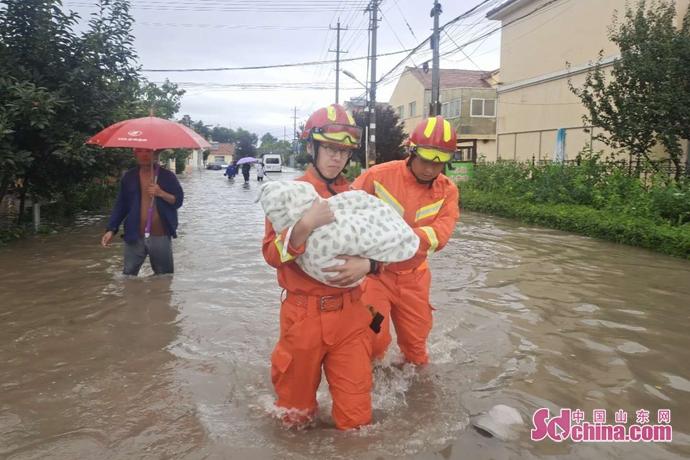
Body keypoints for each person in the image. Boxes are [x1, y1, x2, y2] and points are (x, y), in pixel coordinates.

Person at [262, 104, 375, 430]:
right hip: (303, 318)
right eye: (329, 147)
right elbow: (270, 254)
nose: (336, 157)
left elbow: (385, 246)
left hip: (351, 316)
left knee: (357, 425)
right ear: (311, 147)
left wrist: (369, 264)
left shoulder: (356, 197)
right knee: (294, 419)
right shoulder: (287, 195)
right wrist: (303, 226)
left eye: (343, 150)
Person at [352, 115, 460, 365]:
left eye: (440, 162)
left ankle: (418, 396)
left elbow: (440, 235)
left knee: (416, 349)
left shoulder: (448, 191)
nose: (430, 168)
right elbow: (347, 212)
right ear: (412, 151)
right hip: (376, 275)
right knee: (373, 339)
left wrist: (397, 237)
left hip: (415, 277)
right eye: (425, 159)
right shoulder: (377, 176)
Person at [101, 148, 184, 276]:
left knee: (164, 277)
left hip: (160, 235)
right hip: (134, 235)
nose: (144, 155)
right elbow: (121, 205)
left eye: (148, 151)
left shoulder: (168, 176)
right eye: (140, 151)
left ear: (155, 154)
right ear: (135, 154)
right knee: (128, 276)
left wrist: (161, 193)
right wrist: (111, 229)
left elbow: (178, 201)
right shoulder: (129, 177)